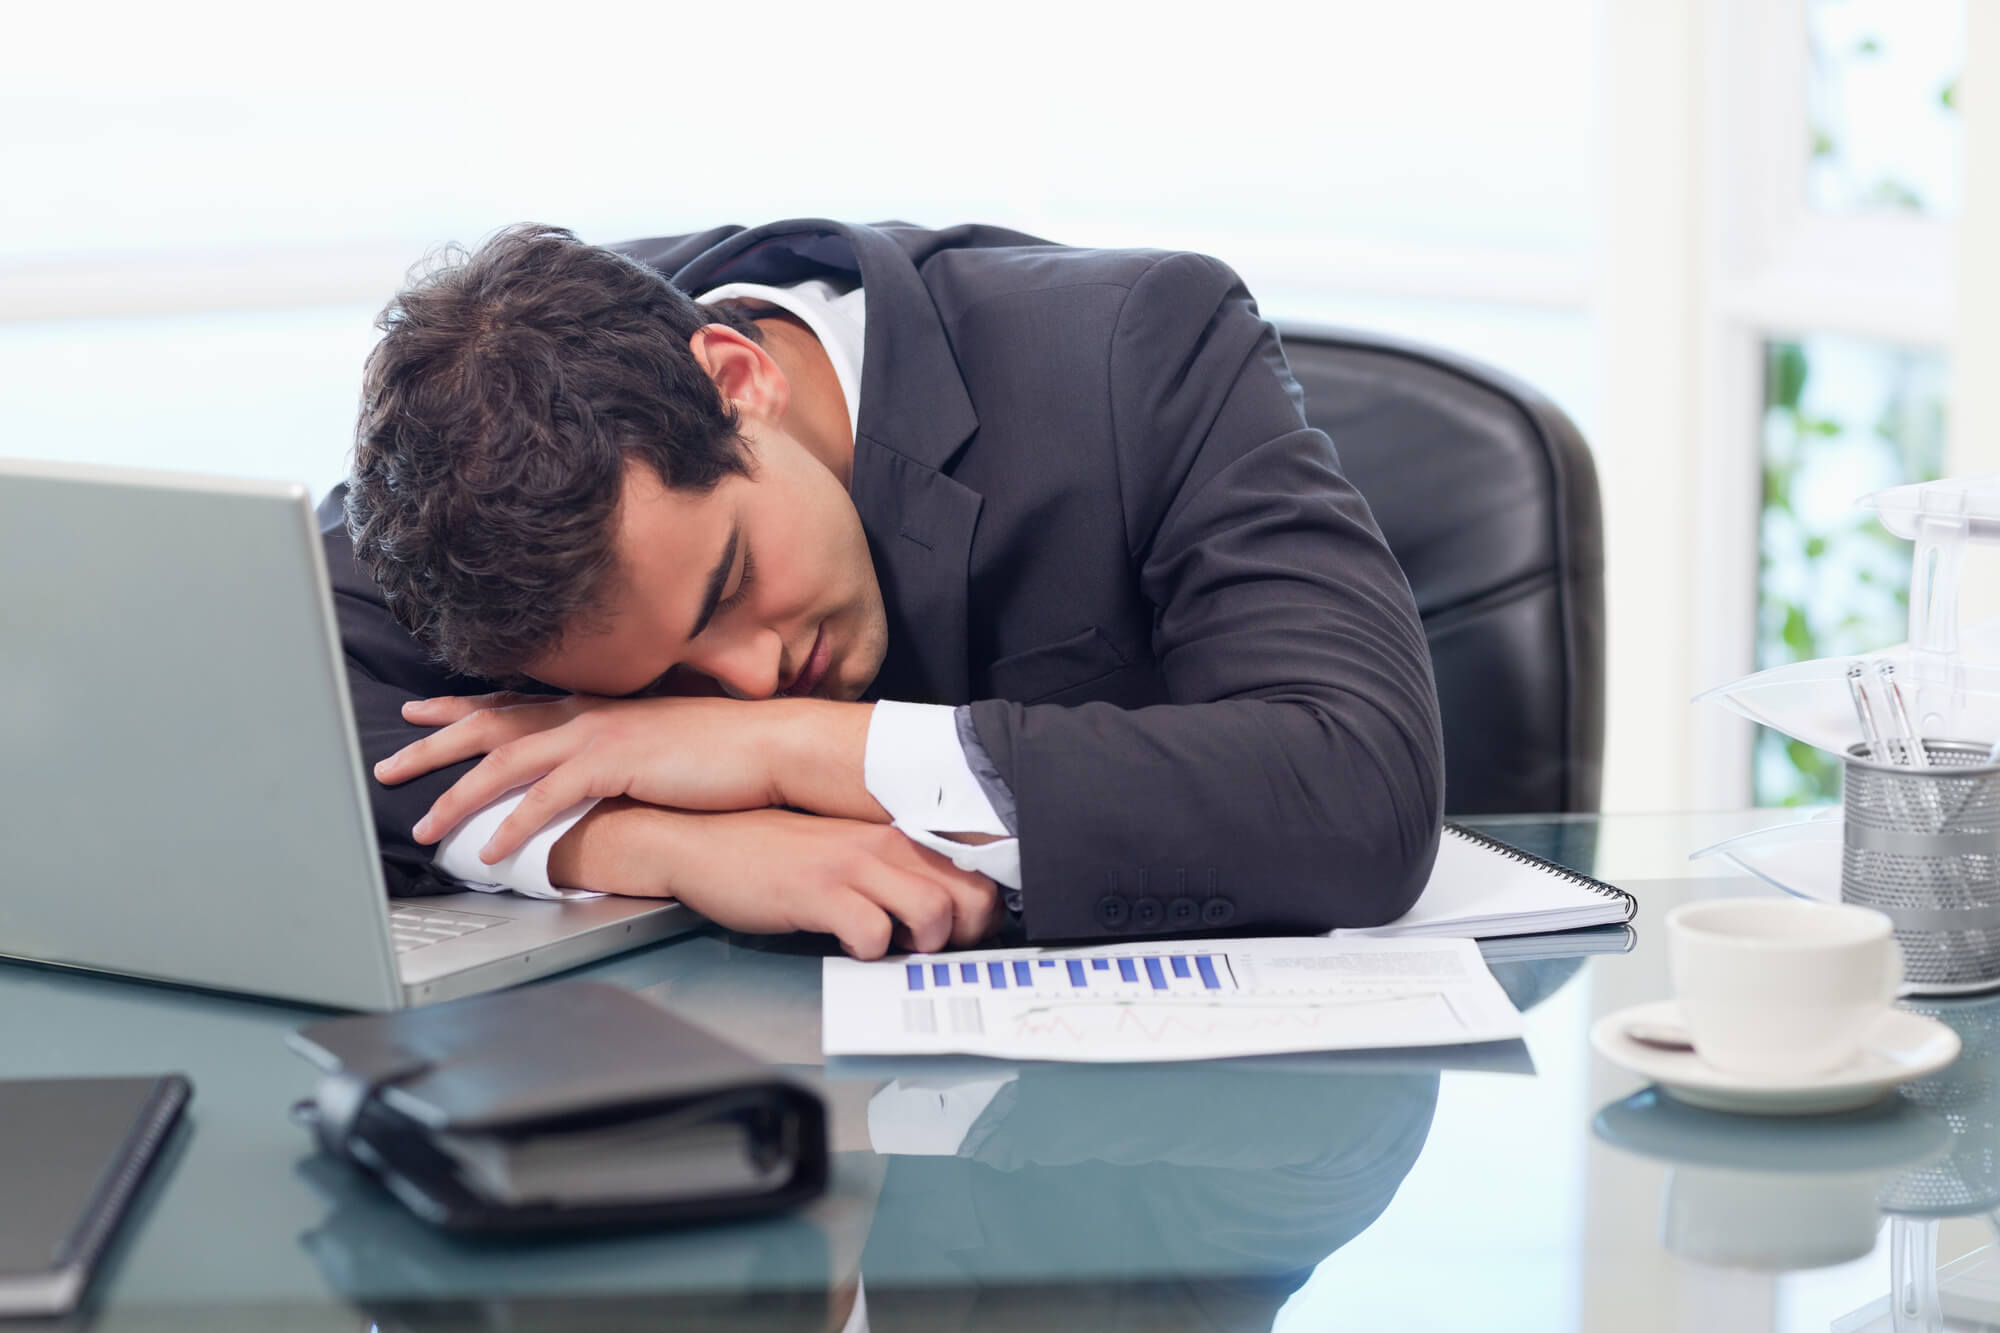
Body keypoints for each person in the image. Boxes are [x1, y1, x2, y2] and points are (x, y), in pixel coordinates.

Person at [324, 219, 1444, 959]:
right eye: (660, 682)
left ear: (736, 379)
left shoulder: (1138, 348)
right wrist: (642, 843)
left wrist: (788, 753)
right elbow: (271, 717)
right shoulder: (482, 435)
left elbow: (1357, 791)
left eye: (729, 587)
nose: (747, 680)